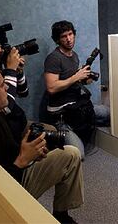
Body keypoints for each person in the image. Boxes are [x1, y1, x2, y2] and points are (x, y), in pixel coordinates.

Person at [0, 64, 83, 224]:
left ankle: (61, 215)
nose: (7, 87)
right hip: (5, 192)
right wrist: (23, 160)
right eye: (2, 85)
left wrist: (33, 153)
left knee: (71, 154)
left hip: (18, 171)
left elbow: (18, 127)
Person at [0, 37, 86, 158]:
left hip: (18, 122)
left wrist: (18, 72)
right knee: (70, 152)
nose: (4, 57)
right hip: (7, 129)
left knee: (53, 134)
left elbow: (23, 92)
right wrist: (10, 70)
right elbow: (7, 106)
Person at [44, 20, 97, 153]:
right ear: (57, 39)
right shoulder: (54, 58)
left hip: (77, 107)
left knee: (108, 113)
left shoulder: (74, 56)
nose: (68, 39)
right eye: (63, 36)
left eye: (70, 34)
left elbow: (73, 81)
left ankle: (78, 127)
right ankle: (65, 130)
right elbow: (51, 87)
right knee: (79, 153)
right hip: (61, 114)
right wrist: (76, 77)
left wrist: (85, 79)